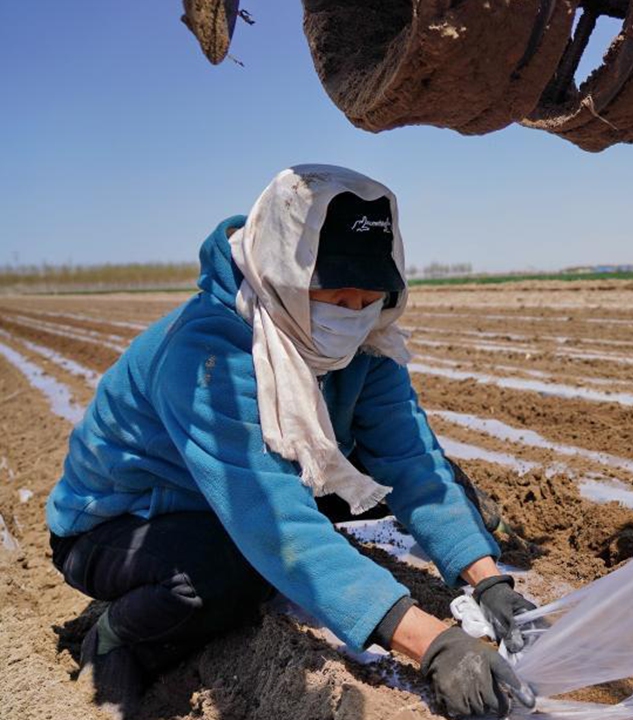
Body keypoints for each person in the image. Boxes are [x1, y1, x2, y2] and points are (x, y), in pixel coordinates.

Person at [44, 165, 538, 719]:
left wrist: (488, 583)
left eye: (367, 297)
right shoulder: (207, 354)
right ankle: (116, 638)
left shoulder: (366, 341)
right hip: (124, 522)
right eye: (334, 294)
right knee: (230, 573)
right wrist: (434, 644)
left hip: (249, 485)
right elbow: (274, 522)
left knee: (423, 478)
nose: (350, 317)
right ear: (284, 271)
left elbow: (408, 461)